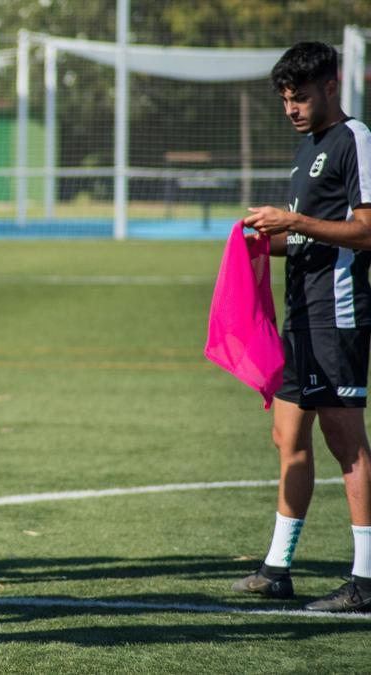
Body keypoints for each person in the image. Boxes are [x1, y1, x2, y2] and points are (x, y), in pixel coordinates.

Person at [239, 41, 371, 613]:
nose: (291, 109)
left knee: (347, 446)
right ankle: (277, 568)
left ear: (331, 87)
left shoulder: (355, 140)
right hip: (301, 316)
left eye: (301, 98)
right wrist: (264, 241)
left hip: (338, 316)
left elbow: (366, 231)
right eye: (286, 100)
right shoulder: (306, 150)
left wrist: (293, 220)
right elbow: (307, 236)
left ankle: (365, 580)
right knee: (286, 439)